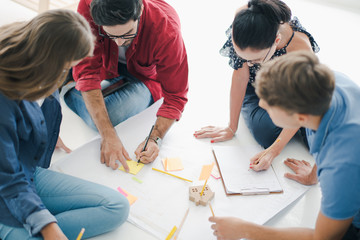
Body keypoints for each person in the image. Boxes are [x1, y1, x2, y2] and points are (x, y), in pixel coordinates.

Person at [0, 10, 129, 240]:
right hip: (7, 188)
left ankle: (32, 224)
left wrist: (38, 129)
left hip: (28, 175)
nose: (64, 76)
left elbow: (43, 105)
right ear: (47, 58)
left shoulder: (34, 63)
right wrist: (49, 228)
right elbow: (8, 181)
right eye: (64, 68)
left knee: (117, 206)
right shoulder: (5, 99)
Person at [209, 51, 360, 240]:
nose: (261, 104)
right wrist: (314, 175)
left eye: (270, 105)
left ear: (300, 117)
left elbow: (322, 238)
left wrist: (246, 230)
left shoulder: (341, 166)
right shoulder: (329, 82)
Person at [62, 0, 189, 171]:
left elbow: (175, 96)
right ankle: (71, 86)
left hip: (143, 77)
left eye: (128, 34)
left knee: (112, 116)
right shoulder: (88, 5)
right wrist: (108, 135)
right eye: (111, 35)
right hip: (105, 64)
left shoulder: (166, 31)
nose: (119, 43)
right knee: (101, 124)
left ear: (141, 9)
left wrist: (154, 138)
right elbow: (88, 71)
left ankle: (74, 83)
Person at [194, 0, 319, 171]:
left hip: (290, 89)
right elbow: (240, 76)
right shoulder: (244, 24)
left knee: (319, 136)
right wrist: (232, 126)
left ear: (276, 40)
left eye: (255, 60)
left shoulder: (300, 49)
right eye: (245, 59)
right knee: (266, 133)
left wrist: (273, 151)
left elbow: (303, 105)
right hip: (256, 85)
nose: (250, 63)